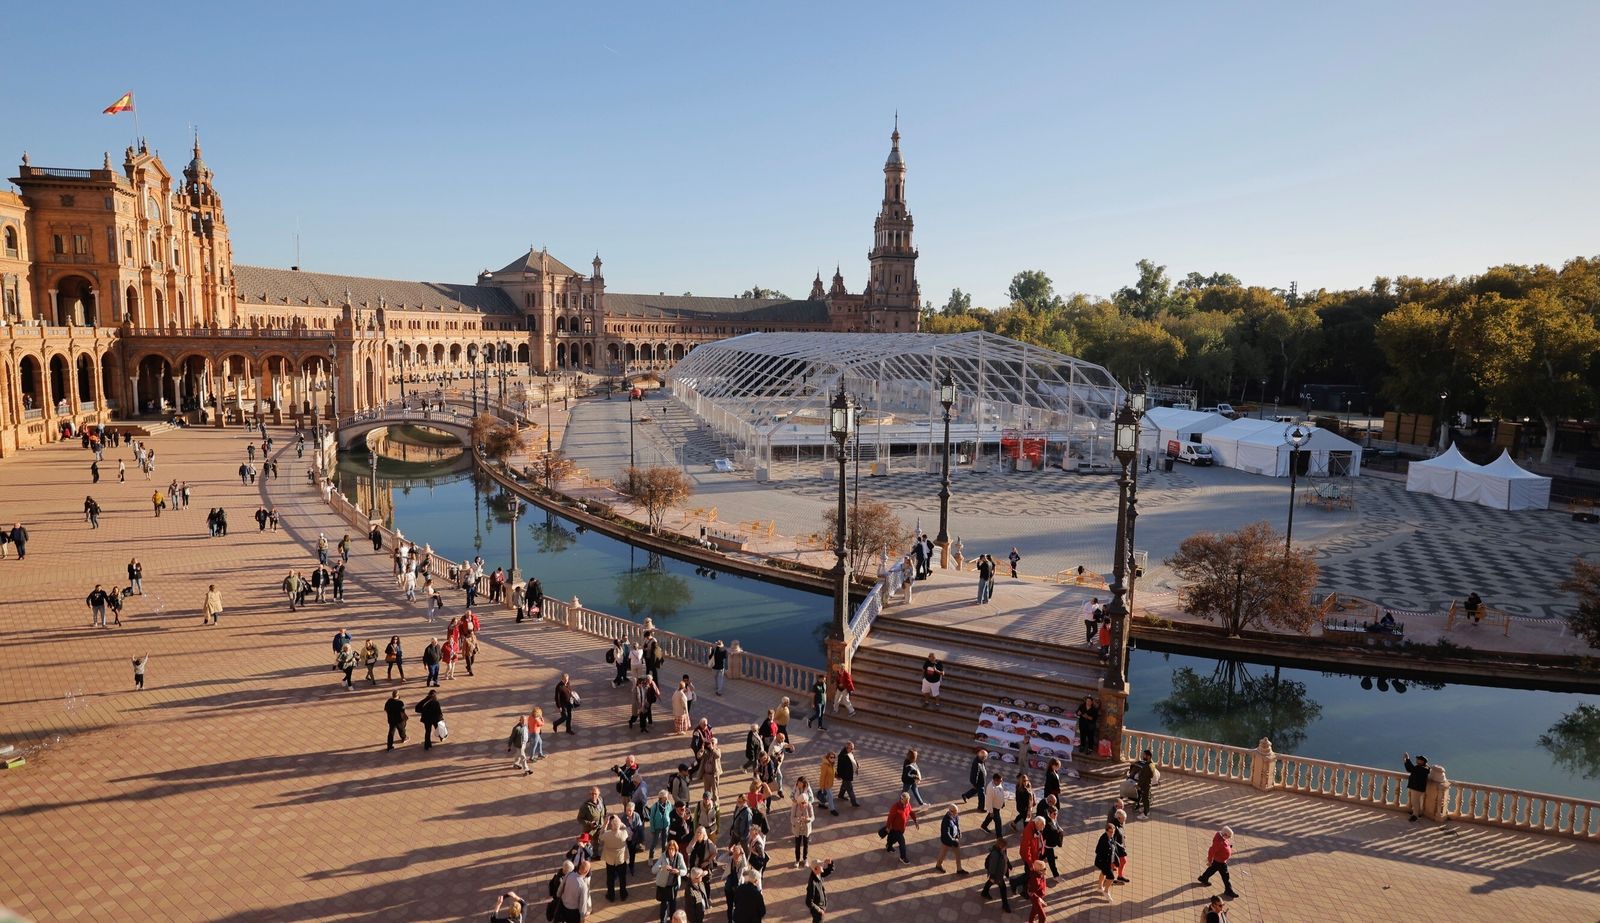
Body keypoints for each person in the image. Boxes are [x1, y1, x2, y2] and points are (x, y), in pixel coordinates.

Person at [1198, 825, 1237, 898]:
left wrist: (1228, 847)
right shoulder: (1218, 841)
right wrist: (1210, 861)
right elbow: (1211, 851)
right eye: (1229, 837)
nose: (1229, 838)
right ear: (1225, 834)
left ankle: (1203, 878)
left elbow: (1224, 843)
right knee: (1225, 876)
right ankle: (1228, 890)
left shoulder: (1222, 837)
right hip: (1220, 861)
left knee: (1212, 870)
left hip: (1219, 860)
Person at [654, 839, 688, 922]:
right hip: (664, 886)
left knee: (673, 906)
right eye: (669, 848)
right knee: (664, 907)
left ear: (676, 849)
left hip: (673, 886)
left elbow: (685, 871)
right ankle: (663, 921)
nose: (671, 851)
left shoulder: (679, 856)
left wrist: (678, 871)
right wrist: (662, 867)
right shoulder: (663, 856)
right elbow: (653, 870)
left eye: (673, 849)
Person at [600, 814, 632, 901]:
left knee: (610, 878)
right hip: (621, 859)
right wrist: (621, 823)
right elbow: (628, 830)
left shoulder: (607, 835)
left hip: (610, 860)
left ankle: (611, 895)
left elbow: (600, 836)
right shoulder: (623, 834)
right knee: (622, 878)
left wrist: (605, 824)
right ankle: (623, 894)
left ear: (611, 825)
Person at [882, 792, 919, 864]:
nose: (906, 804)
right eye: (905, 802)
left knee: (892, 838)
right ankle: (903, 857)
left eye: (908, 802)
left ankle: (888, 846)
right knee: (902, 842)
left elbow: (911, 812)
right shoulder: (895, 807)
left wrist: (915, 820)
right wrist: (888, 826)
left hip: (902, 828)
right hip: (895, 828)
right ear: (901, 799)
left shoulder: (908, 805)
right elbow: (890, 818)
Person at [980, 836, 1012, 912]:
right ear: (1001, 846)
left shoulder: (1001, 851)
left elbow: (1005, 857)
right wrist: (992, 876)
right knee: (1003, 888)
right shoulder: (995, 854)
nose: (1006, 848)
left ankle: (984, 892)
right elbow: (992, 866)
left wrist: (1009, 864)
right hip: (997, 875)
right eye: (1005, 847)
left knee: (991, 882)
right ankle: (1005, 905)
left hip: (999, 873)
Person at [1094, 821, 1123, 901]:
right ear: (1106, 831)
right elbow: (1097, 851)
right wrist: (1106, 860)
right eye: (1110, 832)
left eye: (1113, 832)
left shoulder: (1110, 837)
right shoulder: (1104, 840)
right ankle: (1106, 891)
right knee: (1111, 877)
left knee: (1103, 873)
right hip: (1104, 862)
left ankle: (1100, 887)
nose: (1112, 834)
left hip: (1108, 861)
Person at [556, 857, 592, 923]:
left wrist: (559, 896)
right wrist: (582, 919)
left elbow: (559, 890)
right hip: (573, 913)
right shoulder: (583, 886)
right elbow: (582, 905)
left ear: (579, 866)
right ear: (587, 871)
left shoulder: (569, 874)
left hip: (563, 906)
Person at [790, 778, 815, 866]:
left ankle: (805, 859)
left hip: (806, 829)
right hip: (797, 829)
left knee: (806, 845)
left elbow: (813, 817)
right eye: (801, 803)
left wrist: (808, 819)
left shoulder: (809, 806)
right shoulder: (795, 806)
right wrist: (795, 821)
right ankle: (797, 860)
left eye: (804, 803)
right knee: (797, 845)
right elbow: (791, 818)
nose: (803, 805)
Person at [935, 804, 966, 874]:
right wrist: (952, 841)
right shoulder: (946, 820)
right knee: (943, 853)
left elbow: (957, 825)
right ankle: (938, 865)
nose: (957, 813)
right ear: (951, 811)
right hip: (947, 840)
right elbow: (946, 833)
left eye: (957, 811)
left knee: (958, 853)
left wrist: (958, 832)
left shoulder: (956, 816)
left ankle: (959, 869)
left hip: (954, 838)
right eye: (955, 812)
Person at [804, 858, 834, 923]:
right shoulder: (812, 883)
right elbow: (808, 902)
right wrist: (819, 910)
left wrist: (830, 863)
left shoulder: (818, 874)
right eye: (821, 865)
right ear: (816, 868)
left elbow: (829, 871)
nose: (822, 866)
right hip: (818, 913)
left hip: (821, 907)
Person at [1404, 752, 1430, 822]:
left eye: (1418, 759)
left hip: (1417, 787)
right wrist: (1406, 760)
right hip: (1417, 787)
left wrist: (1407, 759)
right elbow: (1409, 769)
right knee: (1417, 801)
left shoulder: (1422, 769)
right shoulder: (1423, 768)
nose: (1417, 760)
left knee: (1415, 802)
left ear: (1422, 761)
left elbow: (1411, 769)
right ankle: (1417, 813)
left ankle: (1415, 816)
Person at [835, 741, 859, 808]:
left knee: (844, 785)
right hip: (846, 776)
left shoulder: (850, 752)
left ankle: (840, 795)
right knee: (850, 789)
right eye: (851, 748)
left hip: (849, 774)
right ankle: (854, 802)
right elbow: (839, 767)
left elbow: (853, 759)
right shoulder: (842, 756)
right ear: (847, 748)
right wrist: (839, 775)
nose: (852, 750)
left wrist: (857, 765)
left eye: (853, 748)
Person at [1132, 749, 1155, 817]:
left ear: (1149, 756)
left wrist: (1139, 785)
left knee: (1145, 799)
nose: (1143, 756)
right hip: (1147, 784)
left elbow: (1143, 778)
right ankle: (1146, 809)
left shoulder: (1147, 767)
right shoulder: (1152, 764)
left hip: (1145, 785)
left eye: (1144, 755)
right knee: (1145, 798)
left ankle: (1146, 813)